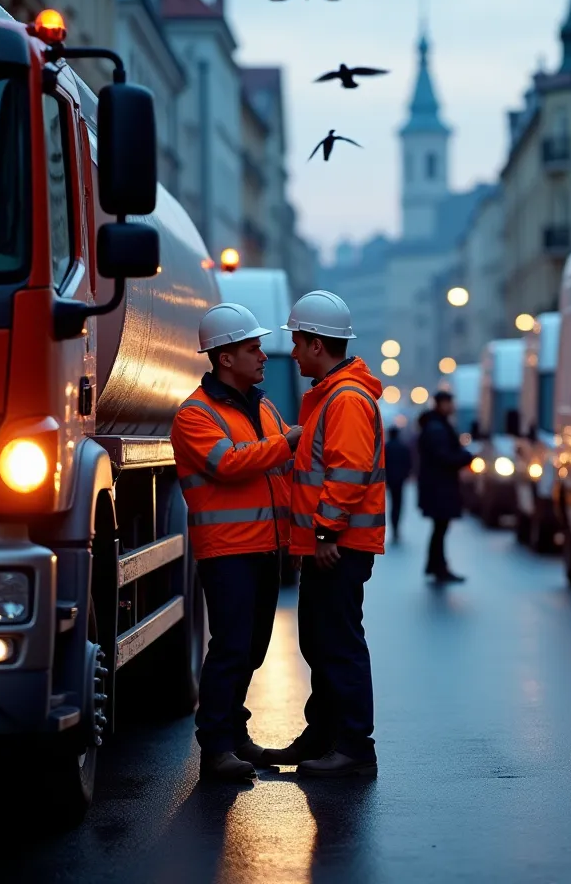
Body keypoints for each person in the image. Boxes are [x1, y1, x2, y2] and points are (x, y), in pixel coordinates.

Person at [171, 302, 302, 782]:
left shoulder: (264, 406)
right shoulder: (194, 416)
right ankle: (215, 748)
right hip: (226, 550)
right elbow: (227, 463)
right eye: (253, 348)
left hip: (267, 546)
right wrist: (287, 442)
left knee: (253, 648)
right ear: (225, 358)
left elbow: (281, 470)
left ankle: (236, 733)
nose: (264, 355)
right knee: (229, 648)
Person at [256, 290, 384, 778]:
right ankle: (322, 736)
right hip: (327, 544)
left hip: (340, 545)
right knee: (318, 639)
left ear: (316, 345)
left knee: (338, 643)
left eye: (296, 342)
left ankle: (353, 747)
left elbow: (347, 471)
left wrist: (327, 533)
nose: (291, 353)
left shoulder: (345, 399)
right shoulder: (332, 395)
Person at [417, 389, 474, 583]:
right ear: (441, 404)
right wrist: (465, 457)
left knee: (439, 528)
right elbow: (443, 457)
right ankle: (438, 566)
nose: (452, 407)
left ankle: (435, 565)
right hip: (440, 488)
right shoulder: (437, 428)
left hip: (437, 486)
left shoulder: (436, 426)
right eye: (449, 403)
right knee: (440, 528)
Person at [384, 425, 413, 542]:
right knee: (398, 504)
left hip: (390, 479)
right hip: (400, 480)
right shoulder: (403, 447)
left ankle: (394, 526)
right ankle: (397, 527)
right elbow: (408, 463)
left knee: (392, 504)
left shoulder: (386, 447)